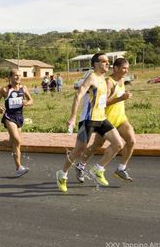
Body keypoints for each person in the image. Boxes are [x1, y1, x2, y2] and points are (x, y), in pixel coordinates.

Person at [56, 53, 124, 192]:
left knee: (118, 144)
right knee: (78, 150)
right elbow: (78, 95)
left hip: (101, 119)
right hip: (87, 120)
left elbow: (103, 101)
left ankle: (98, 169)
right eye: (103, 61)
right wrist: (73, 117)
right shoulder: (91, 77)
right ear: (95, 64)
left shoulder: (104, 80)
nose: (107, 64)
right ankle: (62, 174)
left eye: (108, 61)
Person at [75, 58, 135, 182]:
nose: (126, 70)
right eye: (124, 68)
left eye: (127, 68)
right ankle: (80, 165)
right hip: (106, 119)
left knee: (131, 141)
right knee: (96, 145)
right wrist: (121, 98)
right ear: (116, 68)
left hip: (121, 118)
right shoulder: (109, 82)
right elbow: (103, 102)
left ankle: (121, 168)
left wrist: (123, 97)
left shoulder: (122, 80)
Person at [0, 69, 33, 177]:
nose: (18, 77)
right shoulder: (5, 90)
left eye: (19, 75)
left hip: (19, 117)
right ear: (10, 77)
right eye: (15, 75)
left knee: (12, 144)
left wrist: (27, 103)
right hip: (9, 117)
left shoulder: (23, 88)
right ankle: (19, 168)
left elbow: (31, 100)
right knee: (17, 141)